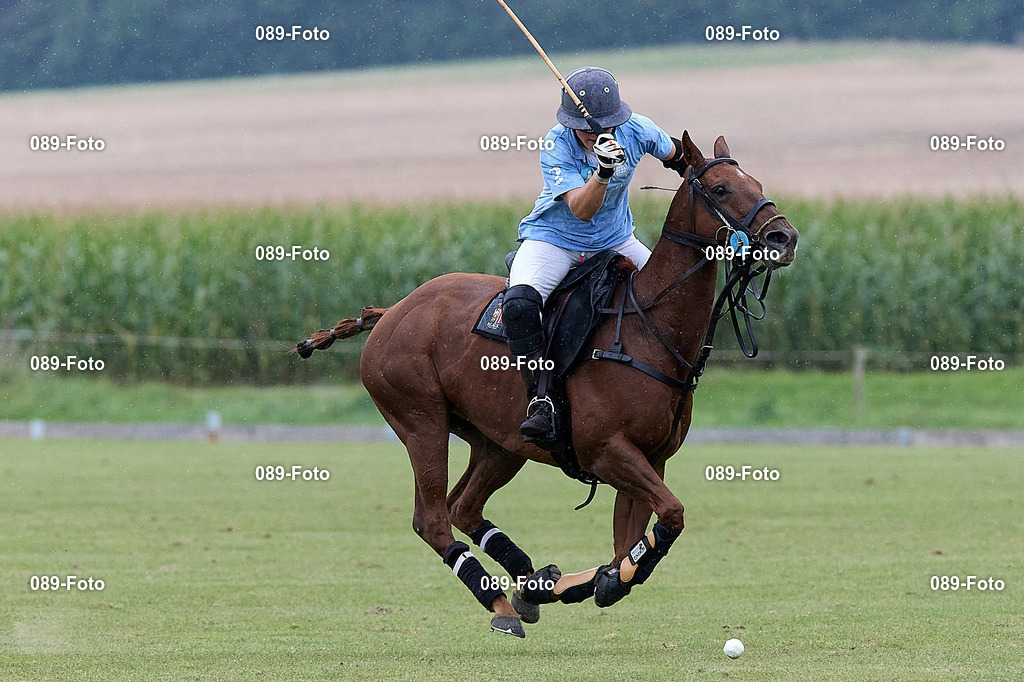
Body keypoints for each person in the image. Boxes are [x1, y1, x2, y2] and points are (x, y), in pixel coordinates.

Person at [503, 66, 687, 440]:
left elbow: (681, 158)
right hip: (554, 240)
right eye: (587, 129)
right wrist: (602, 173)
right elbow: (581, 210)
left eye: (606, 125)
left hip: (615, 239)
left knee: (674, 296)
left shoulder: (637, 129)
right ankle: (542, 401)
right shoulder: (557, 145)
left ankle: (673, 386)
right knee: (521, 304)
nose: (596, 134)